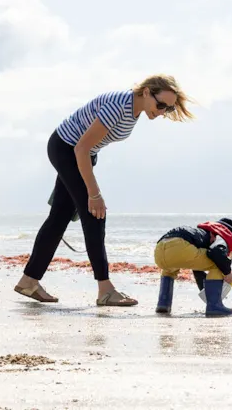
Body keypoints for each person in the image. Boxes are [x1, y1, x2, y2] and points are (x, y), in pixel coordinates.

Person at [14, 74, 194, 307]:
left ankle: (29, 281)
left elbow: (88, 148)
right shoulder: (119, 106)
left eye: (167, 110)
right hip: (69, 150)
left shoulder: (135, 110)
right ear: (147, 92)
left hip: (80, 155)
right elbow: (81, 147)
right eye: (160, 105)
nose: (161, 112)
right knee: (95, 214)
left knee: (58, 219)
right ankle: (105, 290)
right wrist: (94, 194)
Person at [153, 217, 232, 317]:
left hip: (159, 252)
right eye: (231, 254)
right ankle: (215, 306)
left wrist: (207, 295)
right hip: (180, 247)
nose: (229, 256)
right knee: (217, 264)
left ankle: (163, 304)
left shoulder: (202, 233)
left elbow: (197, 269)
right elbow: (216, 253)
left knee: (169, 270)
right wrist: (228, 273)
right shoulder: (222, 235)